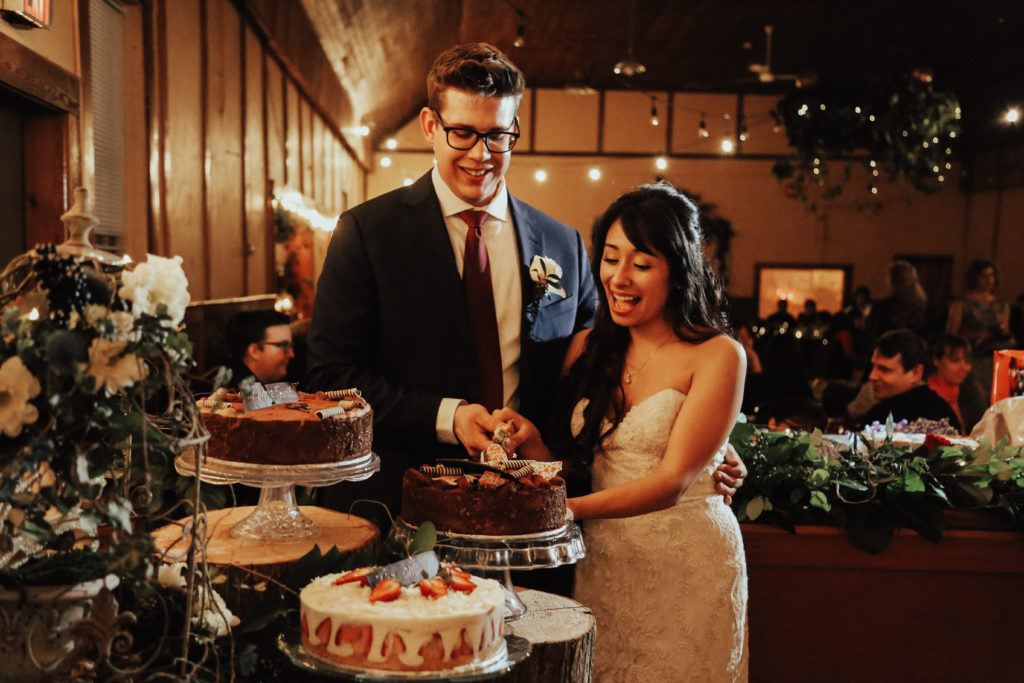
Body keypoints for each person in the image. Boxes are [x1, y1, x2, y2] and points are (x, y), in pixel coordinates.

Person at [305, 43, 746, 521]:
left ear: (515, 128)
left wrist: (711, 443)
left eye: (497, 135)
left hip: (534, 505)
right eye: (463, 133)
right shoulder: (369, 232)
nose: (482, 154)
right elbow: (330, 378)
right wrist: (449, 416)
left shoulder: (562, 244)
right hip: (404, 500)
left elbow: (609, 363)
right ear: (431, 125)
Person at [497, 184, 748, 681]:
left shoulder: (718, 355)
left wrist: (559, 513)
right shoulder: (588, 347)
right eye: (610, 258)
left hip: (689, 560)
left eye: (641, 263)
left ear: (678, 270)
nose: (619, 277)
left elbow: (672, 481)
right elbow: (574, 465)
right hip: (606, 562)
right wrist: (531, 443)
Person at [861, 329, 961, 432]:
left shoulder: (880, 418)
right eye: (874, 367)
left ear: (916, 373)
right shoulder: (944, 412)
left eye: (884, 369)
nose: (872, 376)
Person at [946, 259, 1014, 400]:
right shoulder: (962, 305)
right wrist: (976, 334)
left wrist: (1000, 334)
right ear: (975, 277)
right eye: (984, 276)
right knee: (977, 400)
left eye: (991, 275)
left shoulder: (1001, 305)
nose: (989, 280)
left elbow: (1005, 330)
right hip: (973, 358)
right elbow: (950, 335)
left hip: (995, 358)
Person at [927, 333, 986, 434]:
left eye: (967, 362)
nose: (963, 368)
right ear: (936, 360)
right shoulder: (926, 396)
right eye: (955, 361)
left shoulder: (970, 394)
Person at [222, 309, 295, 386]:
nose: (291, 354)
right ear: (254, 351)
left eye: (290, 346)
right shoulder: (231, 393)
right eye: (283, 345)